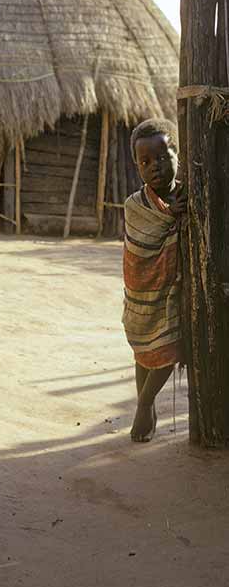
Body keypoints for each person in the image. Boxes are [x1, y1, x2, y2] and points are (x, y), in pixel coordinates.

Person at [122, 118, 187, 442]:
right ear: (137, 166)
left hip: (173, 291)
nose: (154, 167)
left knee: (170, 346)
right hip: (142, 291)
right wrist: (169, 214)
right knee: (143, 348)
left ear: (177, 154)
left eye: (162, 157)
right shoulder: (136, 205)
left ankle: (144, 404)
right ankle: (145, 406)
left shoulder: (190, 192)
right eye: (145, 162)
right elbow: (141, 244)